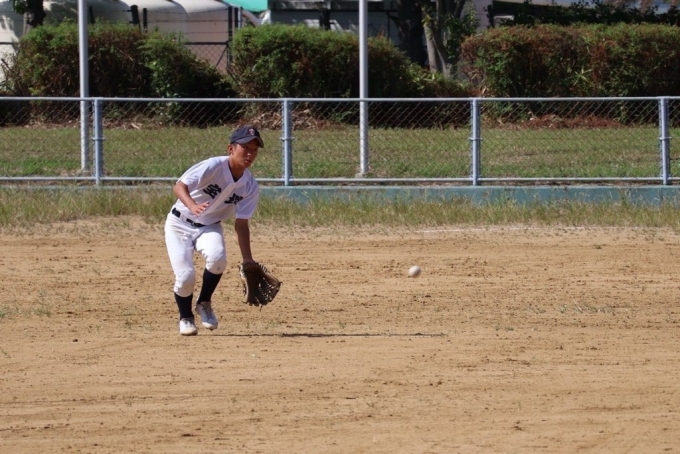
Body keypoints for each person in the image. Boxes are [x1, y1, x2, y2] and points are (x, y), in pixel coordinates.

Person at [164, 125, 264, 336]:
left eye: (254, 150)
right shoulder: (213, 166)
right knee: (185, 277)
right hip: (179, 224)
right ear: (231, 149)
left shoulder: (250, 186)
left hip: (209, 226)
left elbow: (241, 224)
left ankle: (204, 303)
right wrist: (192, 205)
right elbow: (179, 186)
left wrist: (248, 259)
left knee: (218, 259)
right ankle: (186, 317)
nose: (250, 154)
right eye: (245, 148)